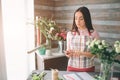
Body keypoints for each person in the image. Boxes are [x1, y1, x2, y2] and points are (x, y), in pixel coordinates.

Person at [64, 6, 99, 72]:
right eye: (76, 18)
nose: (78, 21)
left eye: (81, 19)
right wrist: (68, 53)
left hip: (88, 69)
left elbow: (96, 54)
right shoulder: (70, 34)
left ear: (86, 19)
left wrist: (81, 53)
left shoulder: (93, 33)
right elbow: (68, 52)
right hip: (71, 68)